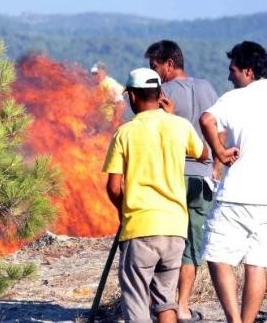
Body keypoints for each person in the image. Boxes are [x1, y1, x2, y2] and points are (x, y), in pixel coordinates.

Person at [103, 68, 208, 323]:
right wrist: (171, 119)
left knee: (137, 301)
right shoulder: (180, 126)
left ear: (133, 98)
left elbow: (114, 187)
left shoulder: (125, 133)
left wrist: (123, 210)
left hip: (140, 228)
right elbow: (203, 154)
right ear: (160, 94)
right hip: (175, 229)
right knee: (165, 301)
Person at [144, 40, 219, 322]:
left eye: (155, 66)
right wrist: (216, 165)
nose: (155, 72)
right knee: (192, 243)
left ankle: (162, 306)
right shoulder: (208, 88)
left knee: (164, 241)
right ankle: (184, 307)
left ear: (169, 64)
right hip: (203, 177)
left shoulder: (162, 92)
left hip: (173, 176)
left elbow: (154, 132)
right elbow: (217, 130)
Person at [199, 41, 267, 323]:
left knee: (216, 254)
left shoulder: (235, 99)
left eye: (233, 70)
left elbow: (206, 119)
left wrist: (219, 151)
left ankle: (234, 320)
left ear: (248, 71)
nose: (229, 77)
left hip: (238, 194)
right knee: (258, 264)